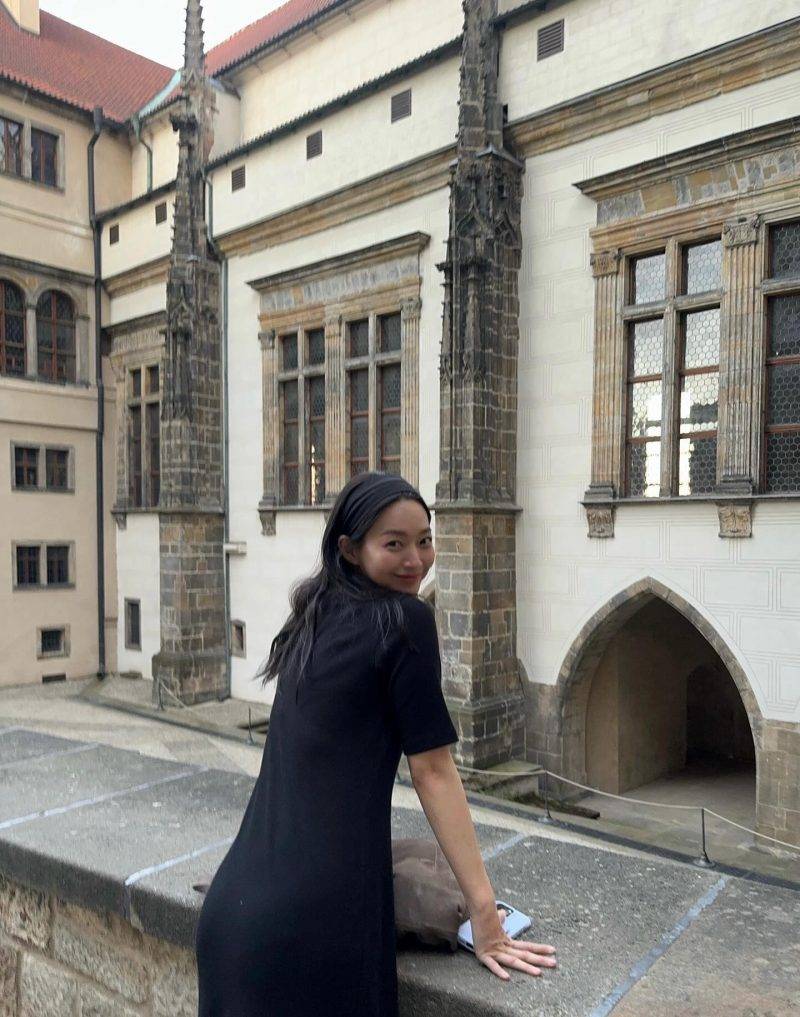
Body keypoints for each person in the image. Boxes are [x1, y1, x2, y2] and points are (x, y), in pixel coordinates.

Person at [195, 471, 557, 1016]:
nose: (416, 560)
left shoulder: (314, 612)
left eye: (425, 540)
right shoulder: (405, 619)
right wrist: (485, 916)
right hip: (315, 927)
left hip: (234, 914)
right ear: (351, 549)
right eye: (394, 544)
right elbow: (433, 772)